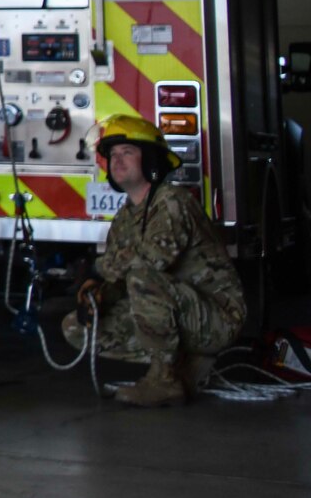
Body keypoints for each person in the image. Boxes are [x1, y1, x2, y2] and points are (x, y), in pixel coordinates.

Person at [63, 114, 247, 407]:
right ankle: (184, 362)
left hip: (218, 317)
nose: (117, 161)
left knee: (142, 278)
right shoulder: (126, 216)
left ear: (150, 161)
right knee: (76, 326)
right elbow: (119, 279)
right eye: (112, 155)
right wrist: (99, 296)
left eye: (127, 152)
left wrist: (96, 271)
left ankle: (164, 380)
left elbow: (150, 263)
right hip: (179, 311)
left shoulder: (172, 200)